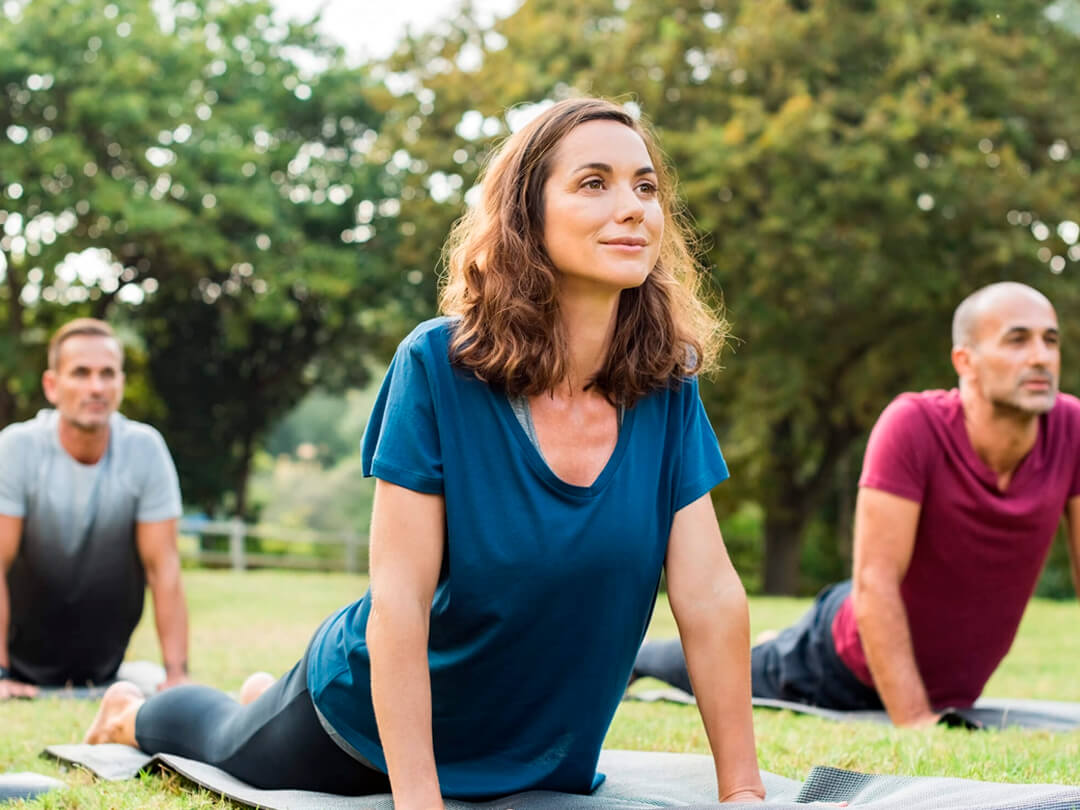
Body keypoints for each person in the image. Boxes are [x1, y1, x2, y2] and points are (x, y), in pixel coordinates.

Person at [82, 97, 765, 805]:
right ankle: (131, 711)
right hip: (361, 728)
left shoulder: (665, 386)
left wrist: (741, 793)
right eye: (594, 183)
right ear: (527, 216)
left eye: (645, 186)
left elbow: (710, 594)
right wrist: (418, 800)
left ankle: (257, 690)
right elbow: (400, 602)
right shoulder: (438, 366)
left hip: (532, 748)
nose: (632, 207)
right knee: (223, 736)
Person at [632, 282, 1080, 727]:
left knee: (765, 650)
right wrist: (916, 720)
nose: (1041, 357)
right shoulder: (914, 425)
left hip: (944, 679)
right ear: (965, 360)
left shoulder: (1072, 429)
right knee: (746, 671)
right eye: (1018, 340)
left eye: (1050, 340)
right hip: (841, 662)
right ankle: (639, 658)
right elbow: (876, 581)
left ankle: (773, 641)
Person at [0, 318, 189, 699]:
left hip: (103, 666)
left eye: (108, 374)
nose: (96, 387)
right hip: (19, 661)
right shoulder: (16, 448)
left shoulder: (145, 449)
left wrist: (177, 674)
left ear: (120, 383)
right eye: (81, 373)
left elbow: (163, 566)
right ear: (52, 386)